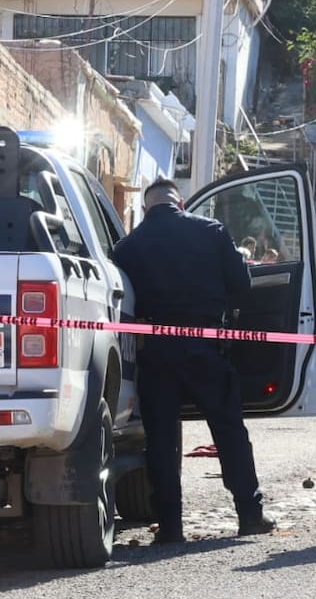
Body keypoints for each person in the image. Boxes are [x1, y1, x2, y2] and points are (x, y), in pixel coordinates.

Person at [111, 178, 275, 544]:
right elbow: (241, 284)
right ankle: (250, 514)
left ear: (145, 209)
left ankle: (170, 528)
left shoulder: (128, 247)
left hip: (156, 349)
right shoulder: (211, 230)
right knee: (229, 430)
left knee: (162, 440)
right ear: (180, 203)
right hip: (206, 343)